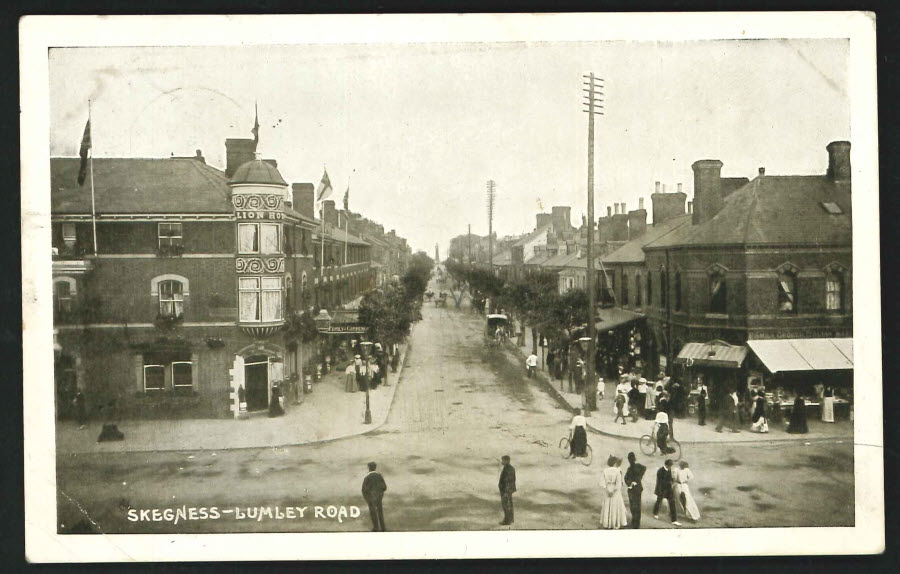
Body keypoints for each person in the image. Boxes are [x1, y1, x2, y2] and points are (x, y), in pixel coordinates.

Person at [599, 456, 628, 529]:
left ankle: (606, 523)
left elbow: (602, 482)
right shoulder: (617, 471)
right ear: (615, 463)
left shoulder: (605, 470)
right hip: (615, 491)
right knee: (616, 506)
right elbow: (619, 484)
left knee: (607, 505)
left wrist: (607, 490)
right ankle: (615, 522)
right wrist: (613, 491)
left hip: (608, 489)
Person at [653, 459, 680, 526]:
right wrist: (670, 481)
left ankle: (674, 520)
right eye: (670, 466)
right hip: (661, 490)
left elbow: (669, 478)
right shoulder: (660, 471)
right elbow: (660, 482)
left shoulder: (669, 469)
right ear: (667, 465)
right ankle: (655, 513)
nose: (670, 467)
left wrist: (672, 479)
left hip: (668, 490)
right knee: (659, 501)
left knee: (672, 502)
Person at [361, 462, 387, 531]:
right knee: (380, 512)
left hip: (371, 498)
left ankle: (376, 527)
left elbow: (364, 490)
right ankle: (383, 527)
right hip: (379, 497)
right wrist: (380, 494)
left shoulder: (367, 477)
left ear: (369, 468)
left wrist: (367, 499)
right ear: (375, 467)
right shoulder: (379, 476)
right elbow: (384, 487)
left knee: (373, 513)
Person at [624, 452, 646, 529]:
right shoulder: (639, 466)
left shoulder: (629, 469)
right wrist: (640, 477)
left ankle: (634, 522)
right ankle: (637, 523)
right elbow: (644, 468)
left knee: (633, 506)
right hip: (638, 488)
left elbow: (626, 479)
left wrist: (630, 483)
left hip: (632, 490)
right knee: (638, 506)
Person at [498, 455, 517, 525]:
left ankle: (507, 521)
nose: (501, 462)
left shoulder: (508, 469)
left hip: (506, 490)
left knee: (506, 505)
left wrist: (506, 491)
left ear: (507, 461)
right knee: (509, 505)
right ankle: (510, 519)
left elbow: (508, 481)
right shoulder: (509, 468)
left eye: (503, 460)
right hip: (508, 490)